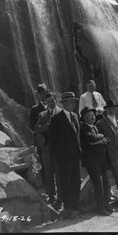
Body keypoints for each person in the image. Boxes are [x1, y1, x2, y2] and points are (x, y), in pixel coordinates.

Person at [47, 91, 82, 219]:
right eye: (70, 102)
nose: (73, 104)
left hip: (75, 155)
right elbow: (52, 140)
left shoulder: (76, 116)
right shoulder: (57, 119)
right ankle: (68, 208)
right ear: (64, 104)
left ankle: (75, 205)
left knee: (76, 182)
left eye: (74, 102)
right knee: (65, 183)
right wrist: (58, 156)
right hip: (64, 158)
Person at [97, 99, 118, 208]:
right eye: (109, 109)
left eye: (113, 109)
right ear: (106, 110)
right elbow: (100, 137)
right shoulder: (101, 123)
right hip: (112, 153)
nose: (112, 110)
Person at [79, 107, 112, 216]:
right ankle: (101, 208)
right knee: (98, 185)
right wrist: (102, 138)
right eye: (90, 115)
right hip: (92, 162)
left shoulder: (94, 127)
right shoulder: (83, 128)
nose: (93, 116)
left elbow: (95, 140)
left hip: (101, 161)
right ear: (84, 118)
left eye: (93, 114)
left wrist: (99, 140)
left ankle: (107, 205)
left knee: (106, 184)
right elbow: (91, 139)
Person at [34, 91, 63, 207]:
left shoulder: (61, 112)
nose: (50, 103)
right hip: (46, 149)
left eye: (52, 101)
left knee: (59, 175)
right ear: (45, 102)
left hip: (58, 149)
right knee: (49, 174)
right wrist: (47, 126)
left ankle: (61, 199)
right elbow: (36, 129)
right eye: (48, 102)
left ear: (56, 100)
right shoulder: (42, 115)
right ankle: (52, 197)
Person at [30, 83, 49, 176]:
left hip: (53, 139)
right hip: (41, 140)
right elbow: (32, 126)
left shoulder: (51, 106)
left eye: (45, 93)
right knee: (44, 164)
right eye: (41, 94)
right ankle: (48, 186)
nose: (43, 95)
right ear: (38, 95)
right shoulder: (34, 109)